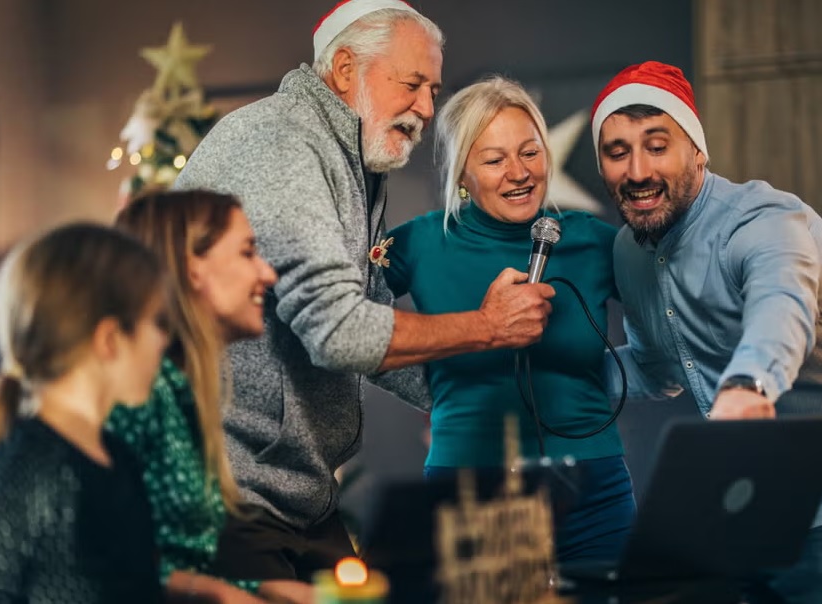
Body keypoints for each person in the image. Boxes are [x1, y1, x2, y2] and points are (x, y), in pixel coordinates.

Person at [174, 0, 555, 581]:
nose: (426, 108)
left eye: (433, 90)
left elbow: (370, 309)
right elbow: (339, 330)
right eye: (412, 84)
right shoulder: (282, 143)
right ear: (346, 69)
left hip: (295, 495)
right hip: (224, 491)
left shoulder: (350, 156)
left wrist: (467, 401)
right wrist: (487, 326)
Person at [590, 60, 822, 603]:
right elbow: (655, 368)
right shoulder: (630, 251)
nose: (638, 170)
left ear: (697, 150)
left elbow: (782, 306)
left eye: (657, 145)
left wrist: (749, 385)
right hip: (754, 489)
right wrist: (549, 376)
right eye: (617, 151)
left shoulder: (763, 219)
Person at [383, 75, 636, 563]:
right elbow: (343, 322)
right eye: (495, 160)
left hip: (593, 491)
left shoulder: (593, 239)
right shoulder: (418, 243)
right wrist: (421, 383)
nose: (519, 173)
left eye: (530, 152)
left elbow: (677, 311)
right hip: (469, 490)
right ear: (462, 173)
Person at [110, 190, 312, 604]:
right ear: (193, 270)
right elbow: (96, 562)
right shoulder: (134, 397)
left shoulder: (178, 390)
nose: (267, 274)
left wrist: (268, 589)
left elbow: (175, 563)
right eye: (247, 252)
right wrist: (219, 593)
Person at [0, 223, 168, 603]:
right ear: (110, 339)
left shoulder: (119, 459)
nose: (163, 342)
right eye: (157, 323)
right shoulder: (28, 467)